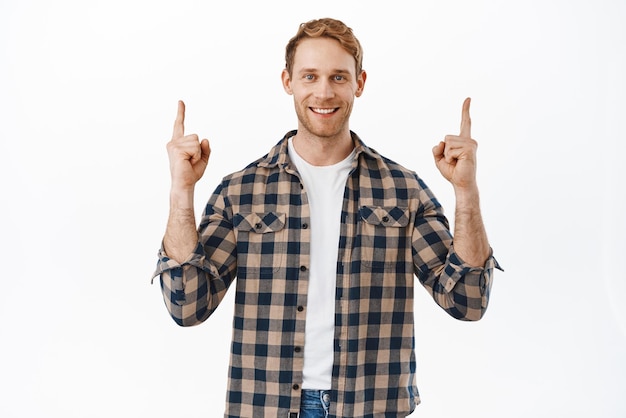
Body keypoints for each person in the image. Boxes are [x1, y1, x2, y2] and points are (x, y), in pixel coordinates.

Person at [153, 17, 501, 418]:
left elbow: (467, 302)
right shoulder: (240, 193)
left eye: (338, 77)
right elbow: (187, 306)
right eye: (310, 76)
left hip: (371, 406)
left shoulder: (403, 191)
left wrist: (466, 192)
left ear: (360, 83)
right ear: (288, 81)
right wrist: (182, 192)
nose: (323, 91)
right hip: (264, 406)